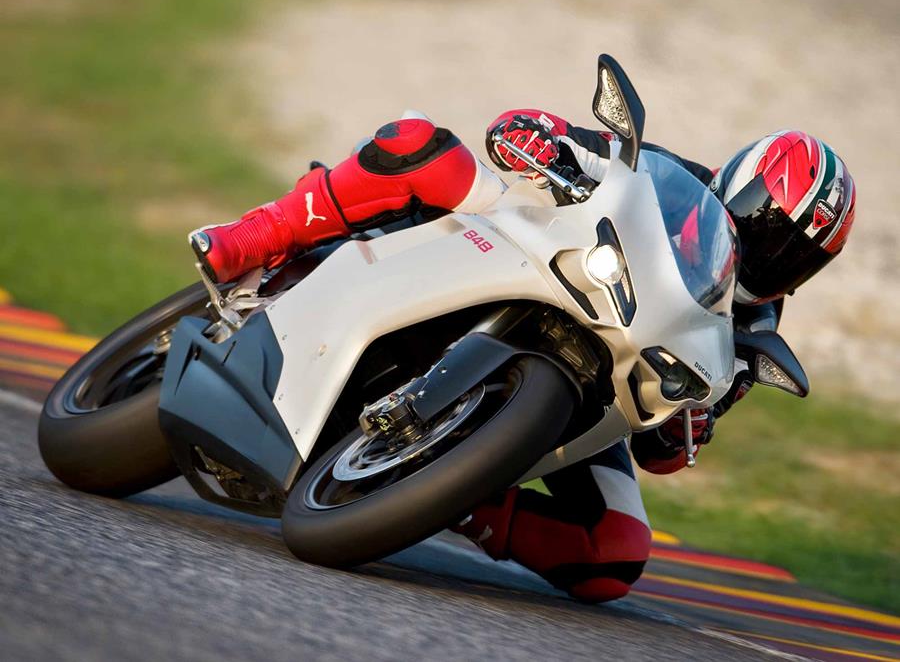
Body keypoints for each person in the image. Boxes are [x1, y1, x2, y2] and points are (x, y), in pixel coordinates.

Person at [189, 110, 856, 602]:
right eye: (764, 218)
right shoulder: (668, 173)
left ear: (810, 267)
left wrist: (692, 426)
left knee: (615, 552)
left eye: (794, 249)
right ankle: (251, 239)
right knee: (420, 146)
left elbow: (663, 453)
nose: (770, 248)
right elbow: (540, 135)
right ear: (739, 183)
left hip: (594, 393)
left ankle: (452, 493)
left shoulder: (754, 328)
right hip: (533, 263)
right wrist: (536, 135)